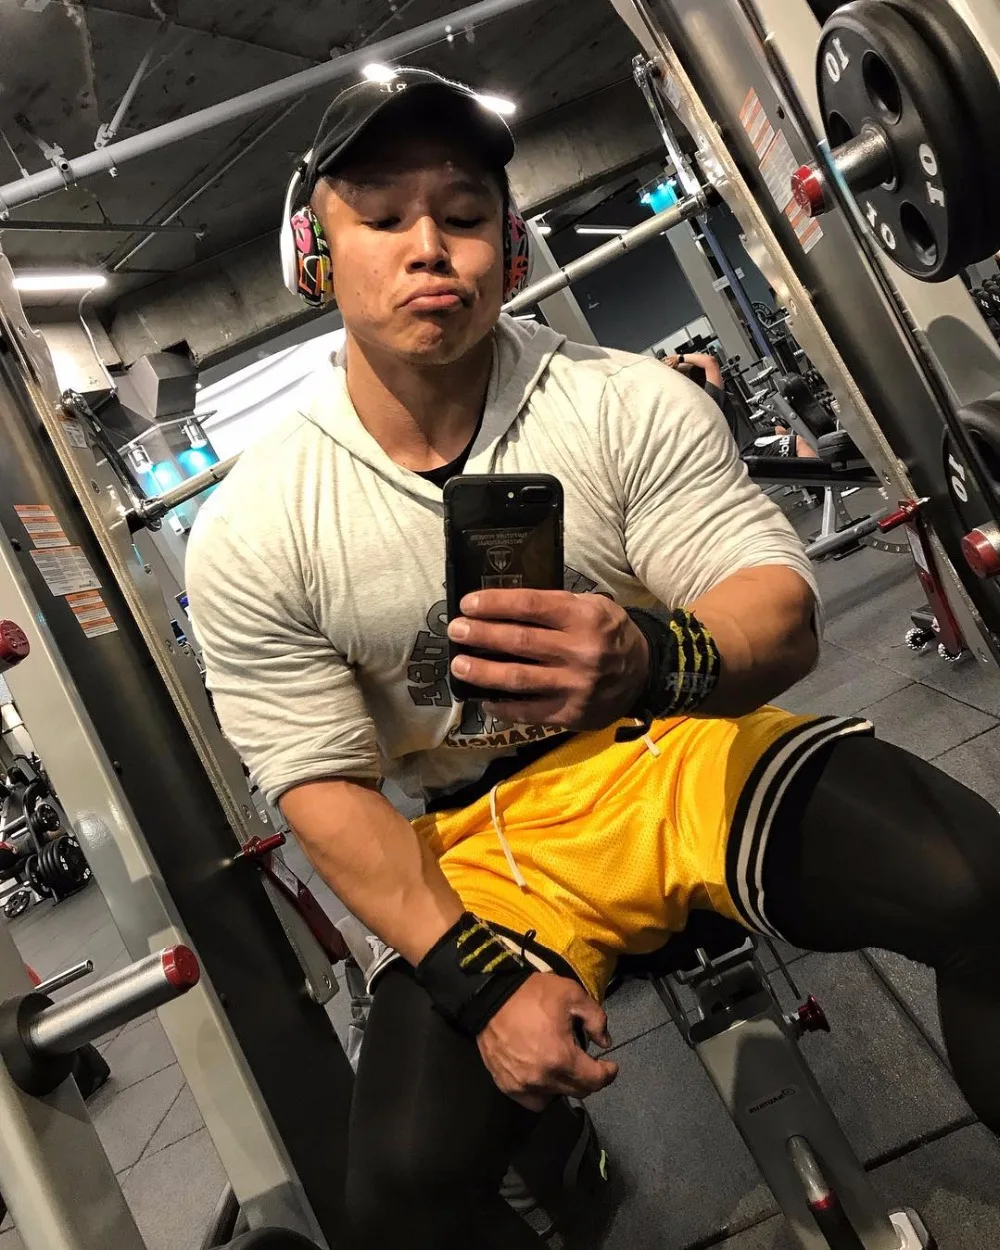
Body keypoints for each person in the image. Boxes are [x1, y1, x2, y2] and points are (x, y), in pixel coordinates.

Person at [186, 67, 1000, 1249]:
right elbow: (319, 784)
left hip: (674, 749)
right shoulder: (256, 525)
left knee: (982, 887)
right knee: (400, 1195)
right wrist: (479, 981)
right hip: (483, 844)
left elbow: (774, 605)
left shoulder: (619, 401)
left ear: (509, 248)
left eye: (464, 216)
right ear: (312, 253)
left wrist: (652, 655)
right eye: (384, 216)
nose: (430, 247)